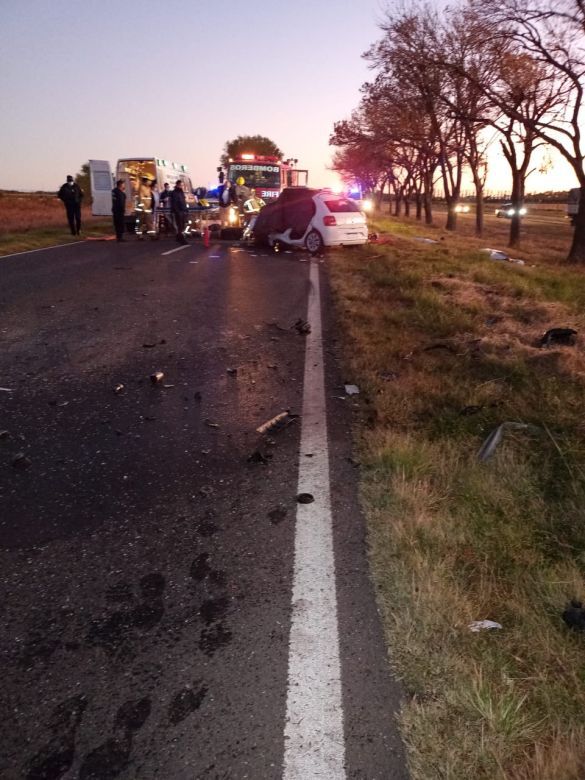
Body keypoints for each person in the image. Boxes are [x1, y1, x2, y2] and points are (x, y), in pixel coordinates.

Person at [170, 180, 188, 244]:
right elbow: (174, 203)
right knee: (180, 226)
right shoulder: (175, 193)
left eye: (182, 185)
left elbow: (183, 202)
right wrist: (177, 212)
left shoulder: (181, 192)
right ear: (177, 185)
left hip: (182, 211)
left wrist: (185, 210)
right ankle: (182, 239)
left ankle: (178, 237)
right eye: (181, 185)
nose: (182, 186)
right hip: (178, 212)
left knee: (182, 226)